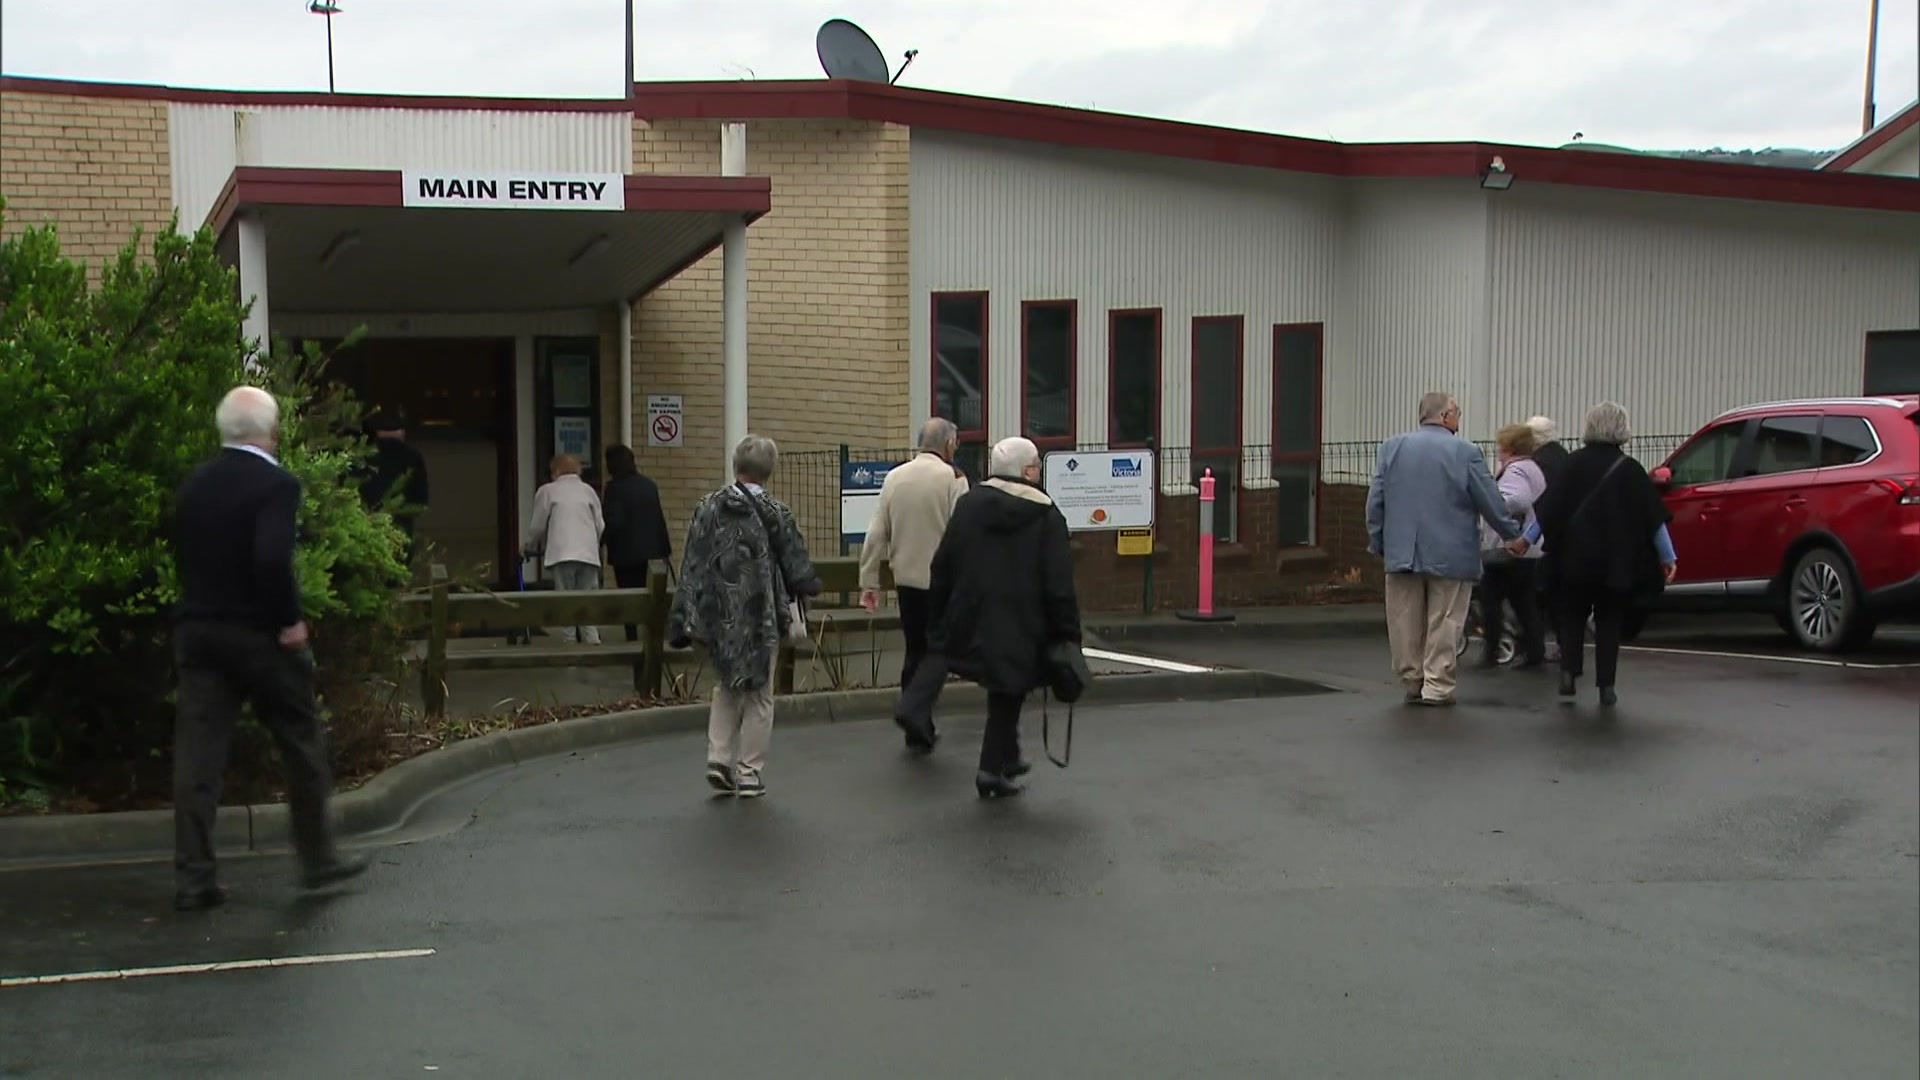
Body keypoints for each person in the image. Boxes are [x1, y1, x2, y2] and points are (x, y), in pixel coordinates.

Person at [170, 386, 369, 912]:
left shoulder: (194, 485)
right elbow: (271, 559)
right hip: (259, 636)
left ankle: (194, 878)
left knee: (198, 757)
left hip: (199, 631)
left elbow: (182, 552)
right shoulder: (276, 484)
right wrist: (289, 621)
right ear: (272, 431)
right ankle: (318, 858)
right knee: (300, 740)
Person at [925, 436, 1082, 798]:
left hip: (973, 614)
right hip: (1025, 620)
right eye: (1037, 466)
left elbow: (943, 564)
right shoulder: (1046, 514)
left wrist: (940, 616)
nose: (1039, 472)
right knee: (1007, 692)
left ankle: (1008, 758)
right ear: (1027, 471)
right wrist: (1068, 630)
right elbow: (1058, 582)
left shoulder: (968, 506)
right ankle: (989, 770)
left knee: (1004, 686)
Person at [669, 435, 820, 799]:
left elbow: (692, 562)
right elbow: (797, 566)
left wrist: (684, 615)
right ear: (770, 470)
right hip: (761, 614)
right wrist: (808, 586)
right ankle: (749, 773)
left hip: (719, 613)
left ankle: (718, 758)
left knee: (726, 685)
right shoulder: (776, 512)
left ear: (736, 464)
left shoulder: (707, 507)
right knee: (760, 694)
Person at [1366, 392, 1522, 706]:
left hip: (1402, 550)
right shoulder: (1465, 452)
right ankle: (1437, 684)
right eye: (1457, 412)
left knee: (1404, 619)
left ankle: (1412, 679)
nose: (1458, 418)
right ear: (1445, 415)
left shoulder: (1391, 448)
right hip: (1452, 552)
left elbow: (1376, 500)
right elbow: (1488, 499)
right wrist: (1511, 534)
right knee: (1445, 618)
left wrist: (1378, 539)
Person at [1525, 401, 1677, 706]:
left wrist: (1526, 538)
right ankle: (1606, 686)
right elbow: (1653, 519)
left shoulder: (1571, 464)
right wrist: (1668, 556)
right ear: (1623, 429)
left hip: (1572, 558)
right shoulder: (1630, 469)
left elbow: (1548, 510)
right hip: (1615, 561)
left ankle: (1568, 673)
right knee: (1609, 620)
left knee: (1572, 615)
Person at [859, 418, 971, 751]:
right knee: (939, 652)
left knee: (915, 650)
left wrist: (869, 581)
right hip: (941, 582)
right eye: (956, 443)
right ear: (948, 444)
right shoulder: (954, 479)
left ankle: (917, 725)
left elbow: (876, 533)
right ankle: (916, 712)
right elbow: (963, 533)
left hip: (906, 580)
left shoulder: (894, 477)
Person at [1477, 423, 1549, 669]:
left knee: (1490, 599)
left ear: (1509, 447)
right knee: (1524, 602)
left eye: (1500, 446)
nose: (1498, 451)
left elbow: (1516, 500)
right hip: (1530, 548)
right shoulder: (1533, 468)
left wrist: (1490, 502)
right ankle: (1534, 651)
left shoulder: (1515, 470)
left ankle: (1491, 650)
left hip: (1507, 548)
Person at [526, 454, 606, 645]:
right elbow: (600, 524)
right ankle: (592, 637)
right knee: (587, 597)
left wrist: (529, 546)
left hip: (562, 553)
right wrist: (594, 545)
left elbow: (538, 526)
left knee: (565, 597)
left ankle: (569, 639)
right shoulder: (588, 491)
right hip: (588, 554)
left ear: (555, 471)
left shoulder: (548, 491)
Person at [601, 444, 672, 642]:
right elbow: (658, 518)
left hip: (625, 553)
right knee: (652, 596)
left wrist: (601, 540)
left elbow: (615, 520)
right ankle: (654, 636)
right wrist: (665, 549)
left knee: (629, 597)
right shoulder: (649, 485)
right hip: (653, 550)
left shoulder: (614, 488)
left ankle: (631, 637)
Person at [359, 411, 430, 563]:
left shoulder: (362, 457)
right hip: (400, 531)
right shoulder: (413, 457)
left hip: (363, 531)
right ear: (402, 432)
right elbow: (421, 500)